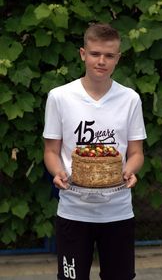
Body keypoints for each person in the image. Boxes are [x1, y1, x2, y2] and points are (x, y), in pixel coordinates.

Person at [43, 23, 147, 280]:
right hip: (73, 210)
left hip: (118, 210)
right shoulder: (60, 97)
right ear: (82, 54)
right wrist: (57, 172)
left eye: (109, 55)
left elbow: (136, 153)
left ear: (118, 58)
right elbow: (50, 150)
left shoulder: (130, 99)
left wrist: (131, 171)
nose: (101, 61)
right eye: (95, 54)